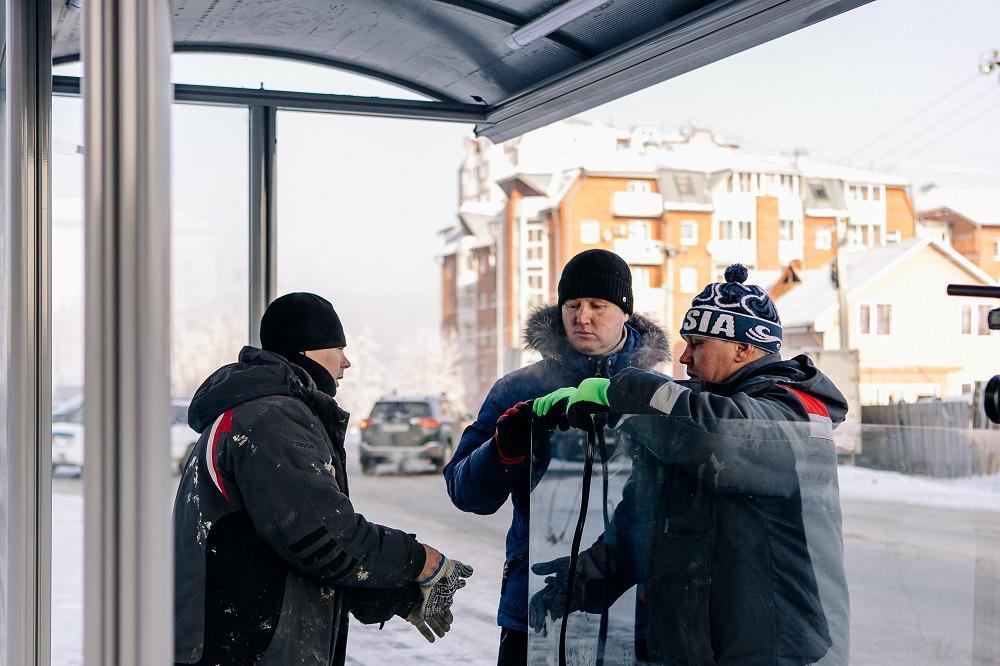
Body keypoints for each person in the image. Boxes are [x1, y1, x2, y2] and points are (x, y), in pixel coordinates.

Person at [531, 264, 851, 665]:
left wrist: (618, 390)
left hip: (775, 652)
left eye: (697, 344)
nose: (683, 358)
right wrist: (586, 576)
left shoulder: (792, 411)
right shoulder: (693, 420)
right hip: (698, 647)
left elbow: (720, 434)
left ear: (743, 348)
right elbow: (646, 518)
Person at [173, 292, 472, 666]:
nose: (346, 362)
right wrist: (423, 561)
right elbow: (325, 538)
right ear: (307, 350)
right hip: (243, 651)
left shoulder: (263, 411)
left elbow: (289, 547)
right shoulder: (271, 419)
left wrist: (394, 595)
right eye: (339, 349)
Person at [444, 249, 669, 664]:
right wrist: (503, 449)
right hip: (537, 607)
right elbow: (465, 492)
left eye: (598, 305)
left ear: (624, 312)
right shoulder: (518, 390)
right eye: (573, 305)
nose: (583, 317)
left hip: (638, 612)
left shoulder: (658, 394)